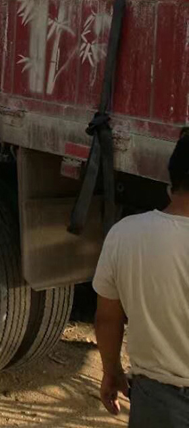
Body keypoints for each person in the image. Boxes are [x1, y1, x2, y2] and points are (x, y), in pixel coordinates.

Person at [93, 129, 189, 425]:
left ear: (173, 180)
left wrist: (112, 371)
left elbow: (107, 319)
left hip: (156, 402)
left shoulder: (125, 234)